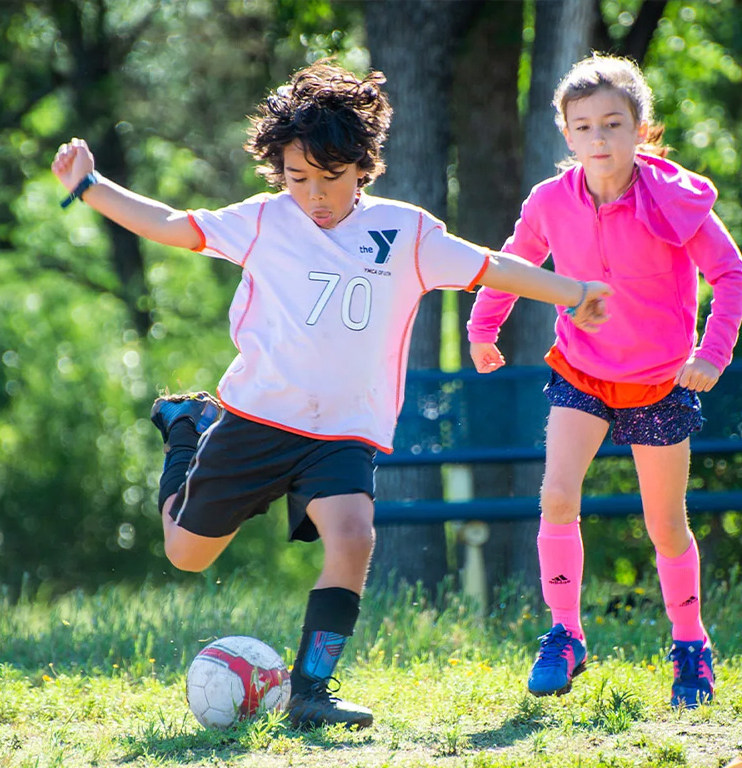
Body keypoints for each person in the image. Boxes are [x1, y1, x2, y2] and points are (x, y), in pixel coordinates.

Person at [52, 62, 611, 730]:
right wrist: (89, 186)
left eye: (331, 177)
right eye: (298, 178)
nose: (314, 195)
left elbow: (493, 266)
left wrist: (574, 292)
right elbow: (170, 223)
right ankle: (185, 429)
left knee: (353, 535)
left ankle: (311, 691)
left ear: (363, 166)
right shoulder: (263, 221)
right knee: (186, 554)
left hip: (344, 430)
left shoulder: (407, 233)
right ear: (279, 172)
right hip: (258, 418)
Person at [467, 54, 742, 709]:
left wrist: (712, 353)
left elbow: (730, 273)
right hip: (582, 372)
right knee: (558, 496)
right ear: (567, 134)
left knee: (665, 524)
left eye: (613, 124)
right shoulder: (549, 202)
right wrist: (483, 329)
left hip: (661, 382)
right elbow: (513, 263)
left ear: (640, 129)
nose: (599, 138)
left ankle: (691, 646)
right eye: (584, 126)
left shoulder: (676, 200)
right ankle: (565, 635)